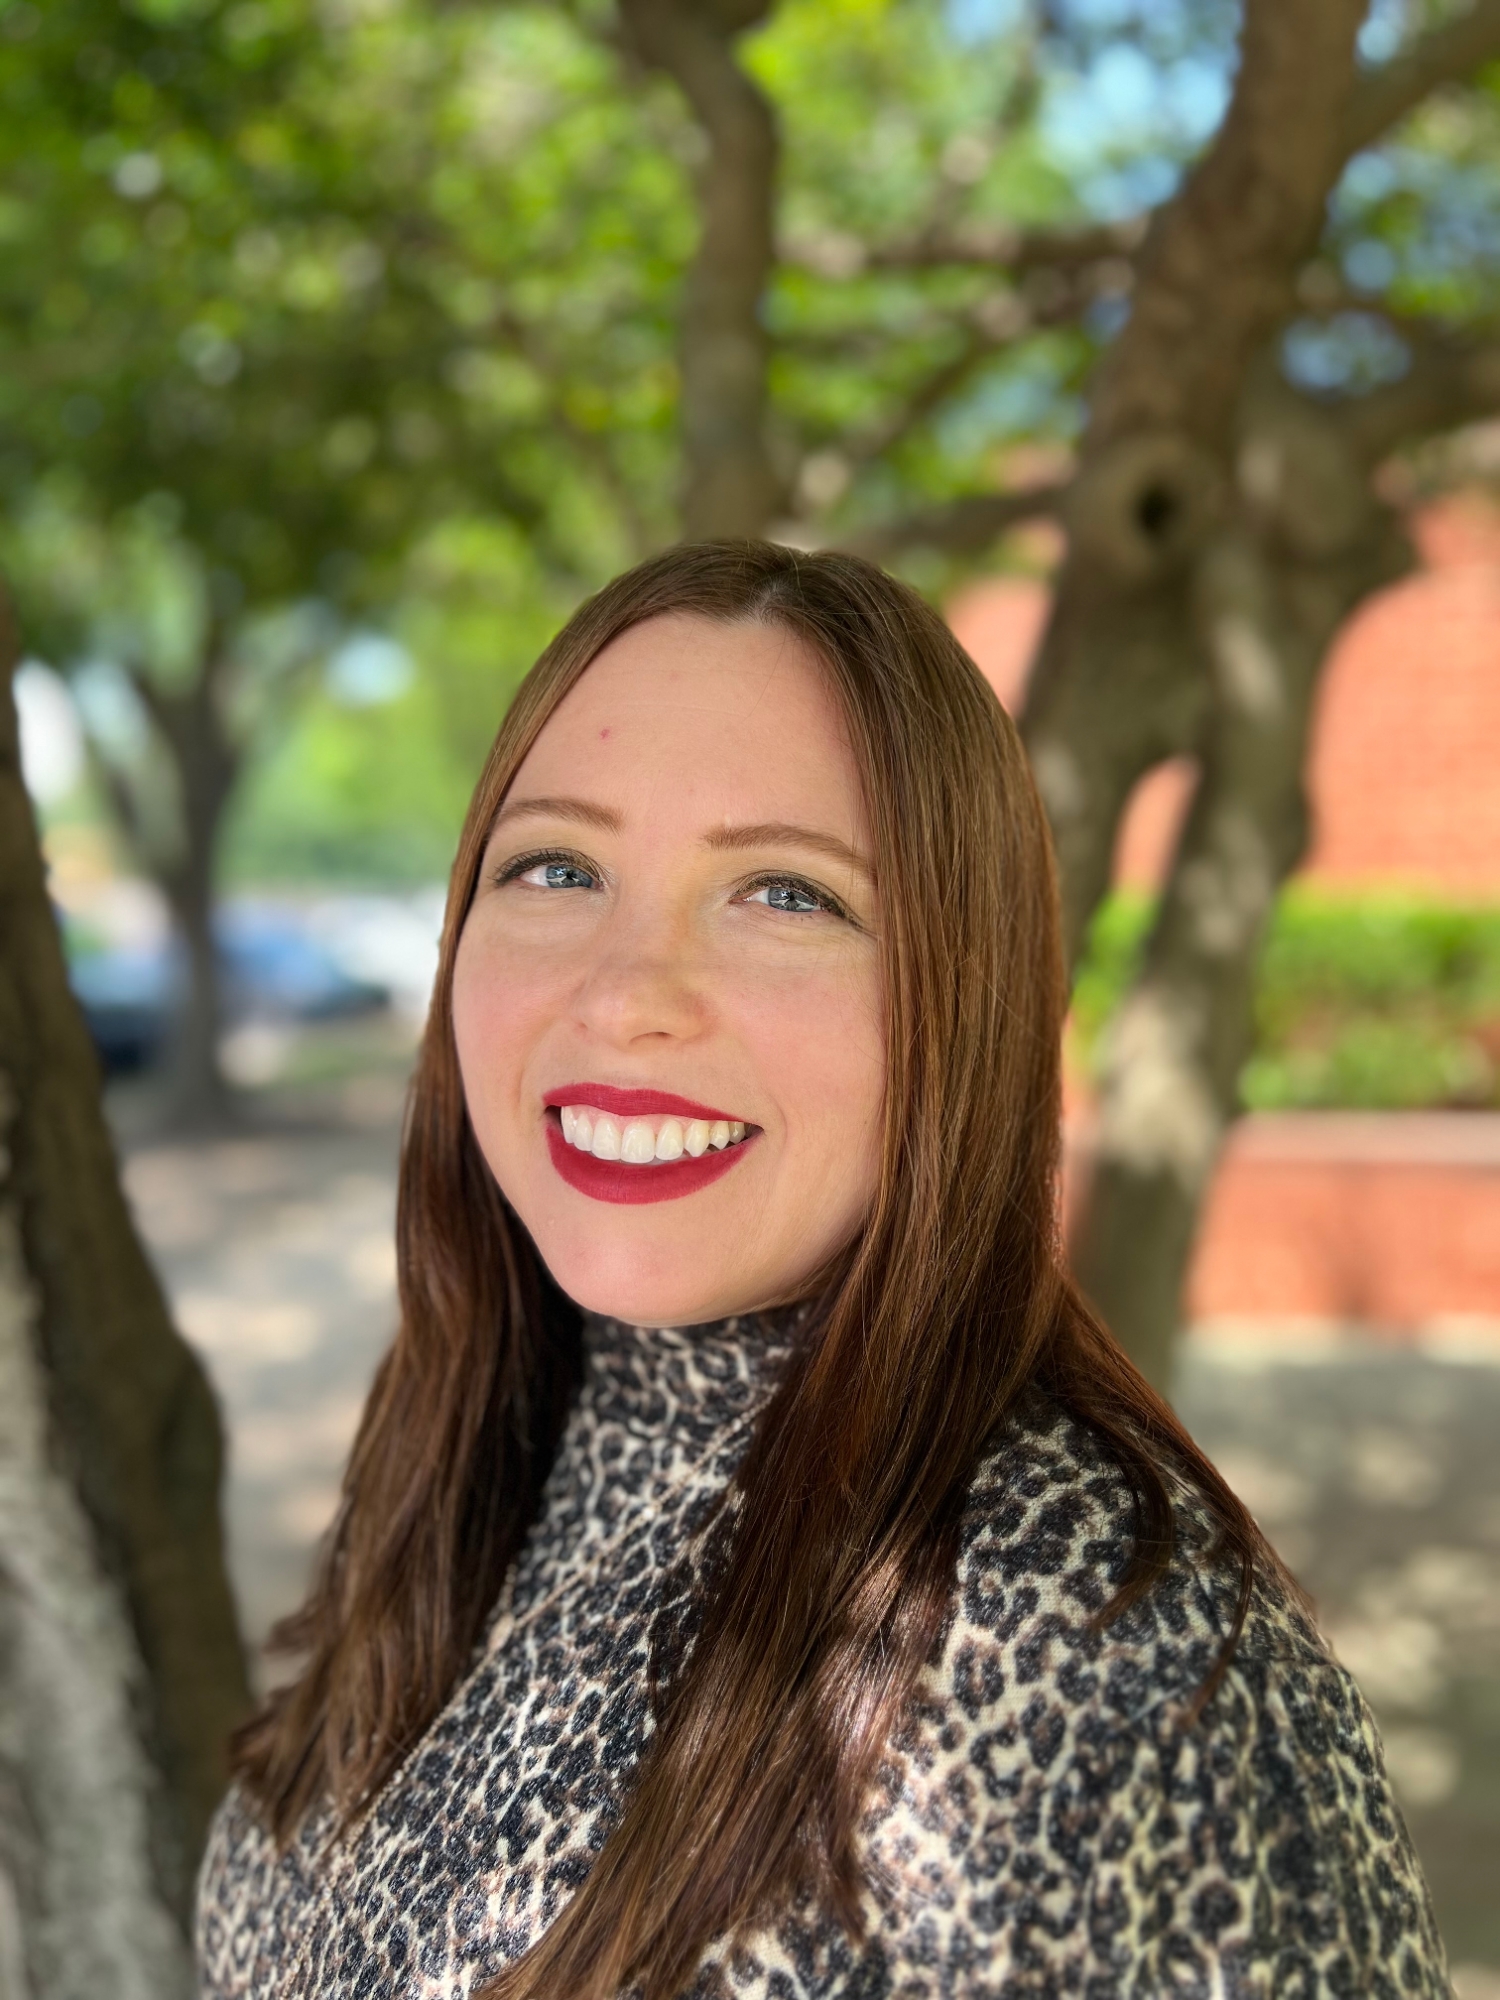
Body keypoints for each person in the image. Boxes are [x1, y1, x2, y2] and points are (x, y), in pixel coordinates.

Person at [197, 541, 1447, 1999]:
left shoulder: (1113, 1661)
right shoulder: (484, 1439)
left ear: (957, 998)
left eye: (783, 894)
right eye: (558, 866)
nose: (628, 996)